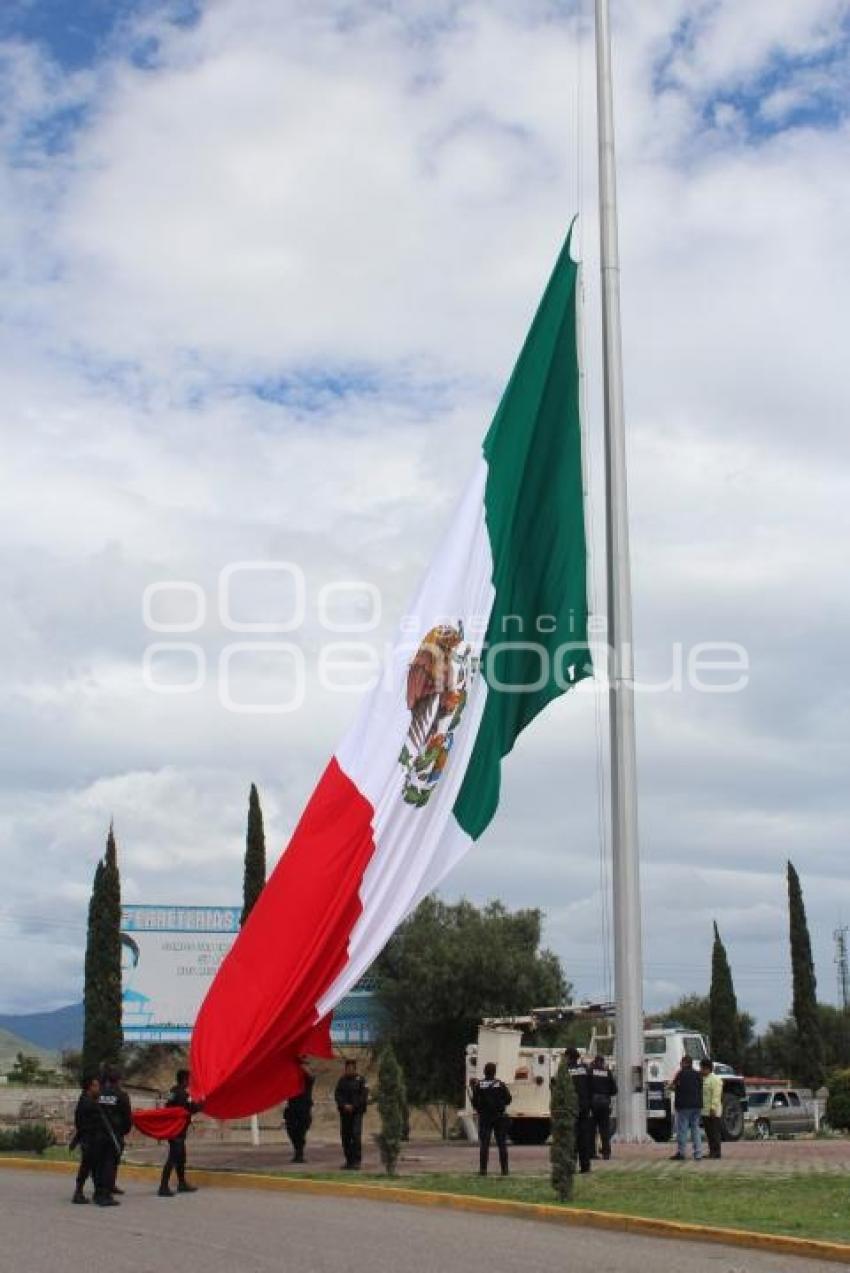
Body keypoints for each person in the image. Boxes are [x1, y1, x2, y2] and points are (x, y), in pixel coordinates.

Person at [158, 1069, 203, 1196]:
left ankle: (182, 1183)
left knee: (181, 1158)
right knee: (173, 1158)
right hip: (178, 1131)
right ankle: (163, 1186)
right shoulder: (184, 1094)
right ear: (184, 1080)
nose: (190, 1082)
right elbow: (192, 1108)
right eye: (189, 1079)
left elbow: (167, 1107)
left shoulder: (171, 1092)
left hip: (172, 1129)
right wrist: (202, 1104)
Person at [93, 1066, 132, 1206]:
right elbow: (127, 1117)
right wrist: (123, 1131)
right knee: (110, 1164)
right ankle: (105, 1196)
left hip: (98, 1134)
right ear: (119, 1080)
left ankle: (98, 1192)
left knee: (99, 1164)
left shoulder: (99, 1094)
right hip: (114, 1135)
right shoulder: (122, 1095)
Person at [470, 1061, 512, 1177]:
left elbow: (475, 1102)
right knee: (502, 1144)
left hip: (485, 1118)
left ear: (484, 1072)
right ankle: (505, 1170)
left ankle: (483, 1170)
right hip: (499, 1117)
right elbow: (508, 1099)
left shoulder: (479, 1085)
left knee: (484, 1144)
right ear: (494, 1072)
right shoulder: (500, 1084)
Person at [71, 1073, 101, 1203]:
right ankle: (78, 1193)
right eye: (96, 1086)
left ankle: (97, 1191)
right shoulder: (87, 1103)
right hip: (88, 1138)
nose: (98, 1088)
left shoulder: (86, 1099)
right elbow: (83, 1123)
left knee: (93, 1166)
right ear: (90, 1087)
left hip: (88, 1137)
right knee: (87, 1166)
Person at [334, 1059, 368, 1170]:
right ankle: (349, 1161)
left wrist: (354, 1105)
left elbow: (363, 1096)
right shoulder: (342, 1081)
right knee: (346, 1137)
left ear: (355, 1069)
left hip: (357, 1113)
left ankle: (357, 1161)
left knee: (356, 1135)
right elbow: (337, 1094)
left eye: (351, 1068)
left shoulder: (361, 1080)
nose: (349, 1070)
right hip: (345, 1113)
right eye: (347, 1068)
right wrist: (344, 1105)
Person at [668, 1054, 703, 1161]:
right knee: (695, 1129)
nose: (680, 1064)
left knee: (682, 1130)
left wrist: (670, 1086)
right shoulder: (698, 1074)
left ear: (685, 1063)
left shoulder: (680, 1074)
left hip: (683, 1106)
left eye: (681, 1062)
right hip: (697, 1106)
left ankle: (681, 1153)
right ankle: (698, 1154)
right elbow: (700, 1087)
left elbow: (673, 1086)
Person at [564, 1048, 594, 1173]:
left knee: (571, 1138)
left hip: (570, 1108)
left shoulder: (565, 1071)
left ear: (568, 1057)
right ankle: (585, 1166)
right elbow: (591, 1087)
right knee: (584, 1137)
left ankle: (570, 1166)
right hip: (584, 1107)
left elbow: (559, 1089)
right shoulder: (585, 1069)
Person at [283, 1058, 315, 1163]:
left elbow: (311, 1076)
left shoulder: (308, 1078)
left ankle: (299, 1153)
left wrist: (302, 1065)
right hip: (292, 1108)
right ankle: (298, 1151)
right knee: (291, 1130)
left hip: (304, 1108)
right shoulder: (292, 1077)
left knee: (301, 1131)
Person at [589, 1053, 617, 1161]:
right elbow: (614, 1090)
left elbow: (587, 1087)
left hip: (593, 1104)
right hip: (605, 1104)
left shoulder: (590, 1072)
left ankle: (592, 1153)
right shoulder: (607, 1072)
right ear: (603, 1062)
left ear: (595, 1062)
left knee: (592, 1130)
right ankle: (606, 1153)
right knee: (604, 1130)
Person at [700, 1058, 723, 1160]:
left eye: (702, 1068)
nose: (701, 1070)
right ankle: (711, 1152)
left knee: (714, 1132)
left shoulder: (715, 1080)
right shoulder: (704, 1079)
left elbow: (716, 1095)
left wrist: (713, 1107)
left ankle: (716, 1152)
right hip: (705, 1111)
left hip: (713, 1111)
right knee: (709, 1133)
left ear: (708, 1068)